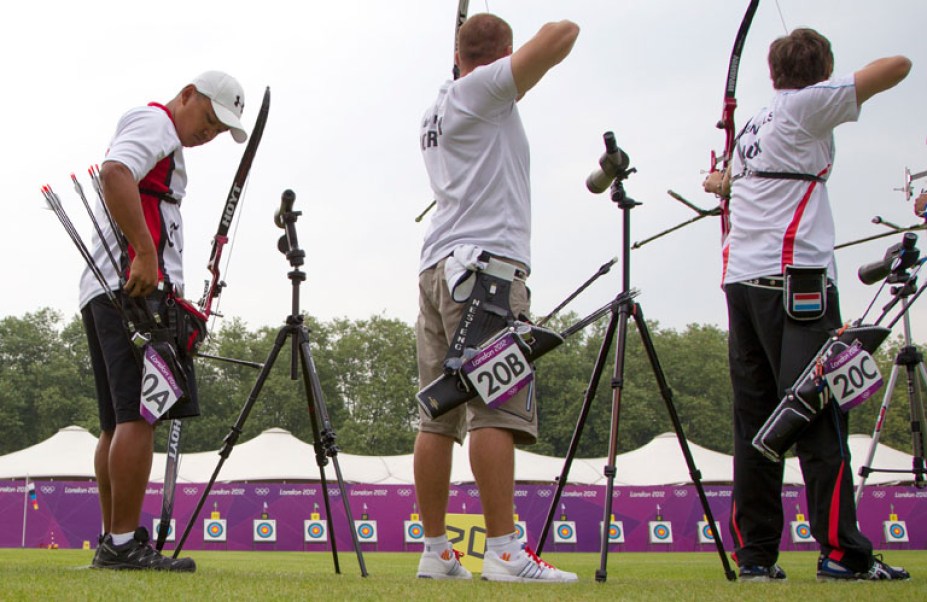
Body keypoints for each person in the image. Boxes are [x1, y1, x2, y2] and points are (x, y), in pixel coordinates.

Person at [703, 29, 911, 581]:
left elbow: (747, 181)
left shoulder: (757, 121)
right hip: (797, 283)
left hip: (743, 283)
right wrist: (835, 85)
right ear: (821, 72)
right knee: (819, 415)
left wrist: (721, 183)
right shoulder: (807, 105)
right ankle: (843, 554)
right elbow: (900, 63)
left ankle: (756, 558)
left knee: (757, 422)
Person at [414, 13, 579, 583]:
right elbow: (564, 33)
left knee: (438, 414)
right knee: (494, 407)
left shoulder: (440, 105)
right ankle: (504, 551)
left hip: (441, 268)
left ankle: (436, 551)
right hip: (486, 272)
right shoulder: (480, 91)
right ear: (501, 54)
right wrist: (502, 66)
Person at [81, 71, 249, 571]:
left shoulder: (164, 137)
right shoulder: (156, 122)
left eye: (221, 129)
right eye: (210, 119)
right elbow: (113, 173)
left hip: (112, 291)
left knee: (117, 422)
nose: (210, 133)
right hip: (132, 292)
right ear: (187, 96)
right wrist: (145, 253)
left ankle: (115, 539)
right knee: (139, 415)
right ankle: (123, 542)